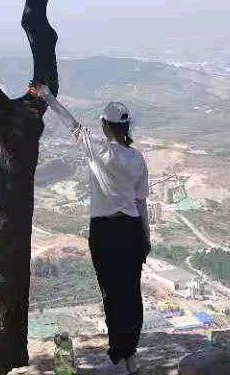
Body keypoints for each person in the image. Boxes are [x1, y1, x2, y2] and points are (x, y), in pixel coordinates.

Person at [30, 84, 150, 374]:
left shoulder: (98, 150)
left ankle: (119, 357)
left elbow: (71, 123)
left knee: (112, 295)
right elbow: (142, 202)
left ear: (105, 125)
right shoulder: (138, 159)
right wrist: (146, 237)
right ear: (126, 127)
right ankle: (130, 354)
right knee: (132, 294)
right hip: (133, 231)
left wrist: (46, 95)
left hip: (106, 233)